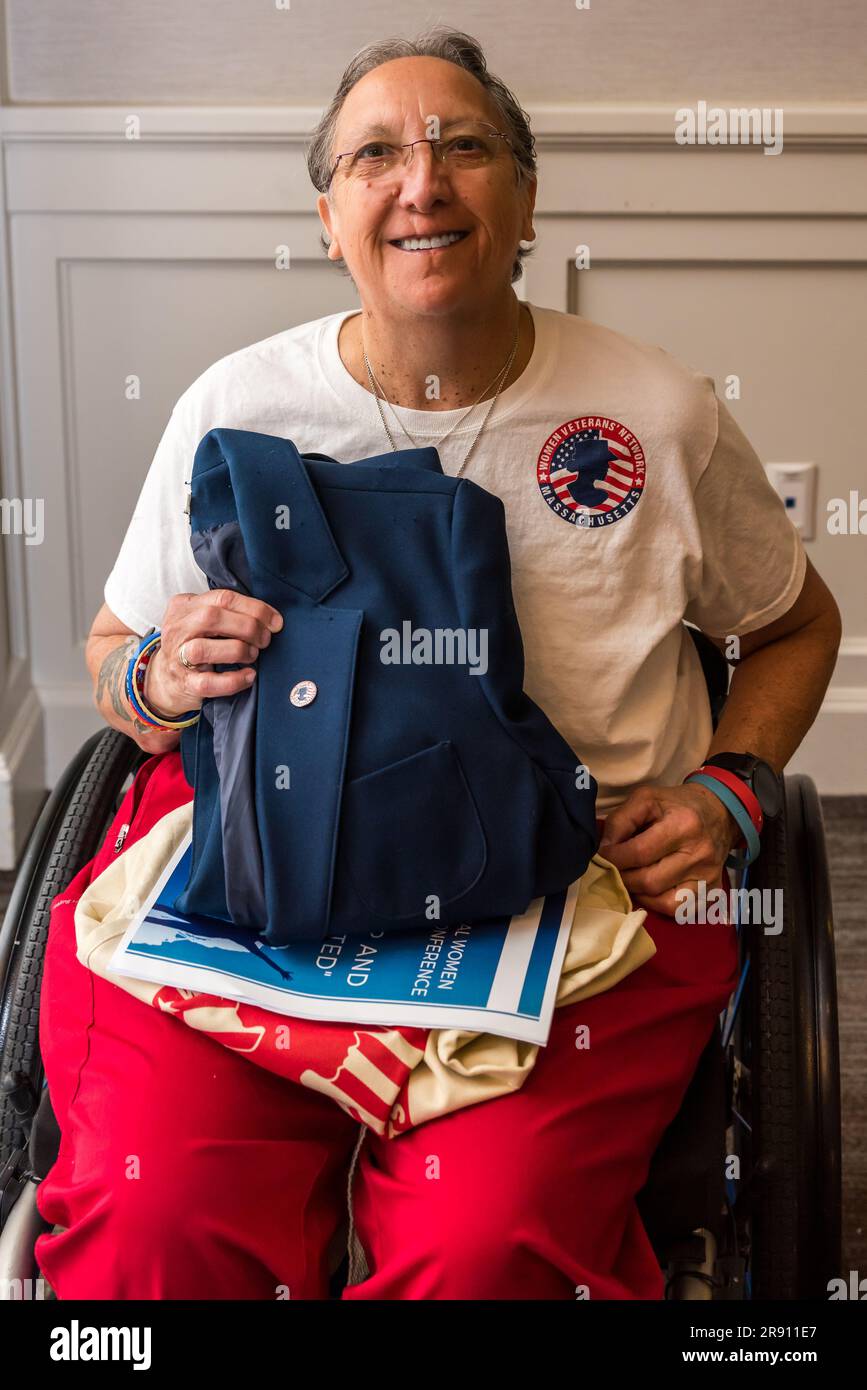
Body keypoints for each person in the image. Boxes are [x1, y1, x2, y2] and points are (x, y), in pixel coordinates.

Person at [37, 26, 841, 1300]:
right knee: (161, 1218)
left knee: (485, 1244)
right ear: (329, 212)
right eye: (375, 155)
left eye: (464, 147)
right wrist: (154, 673)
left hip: (577, 888)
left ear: (526, 199)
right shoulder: (236, 406)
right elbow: (111, 661)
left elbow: (795, 625)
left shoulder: (659, 413)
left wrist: (730, 792)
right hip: (262, 858)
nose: (422, 182)